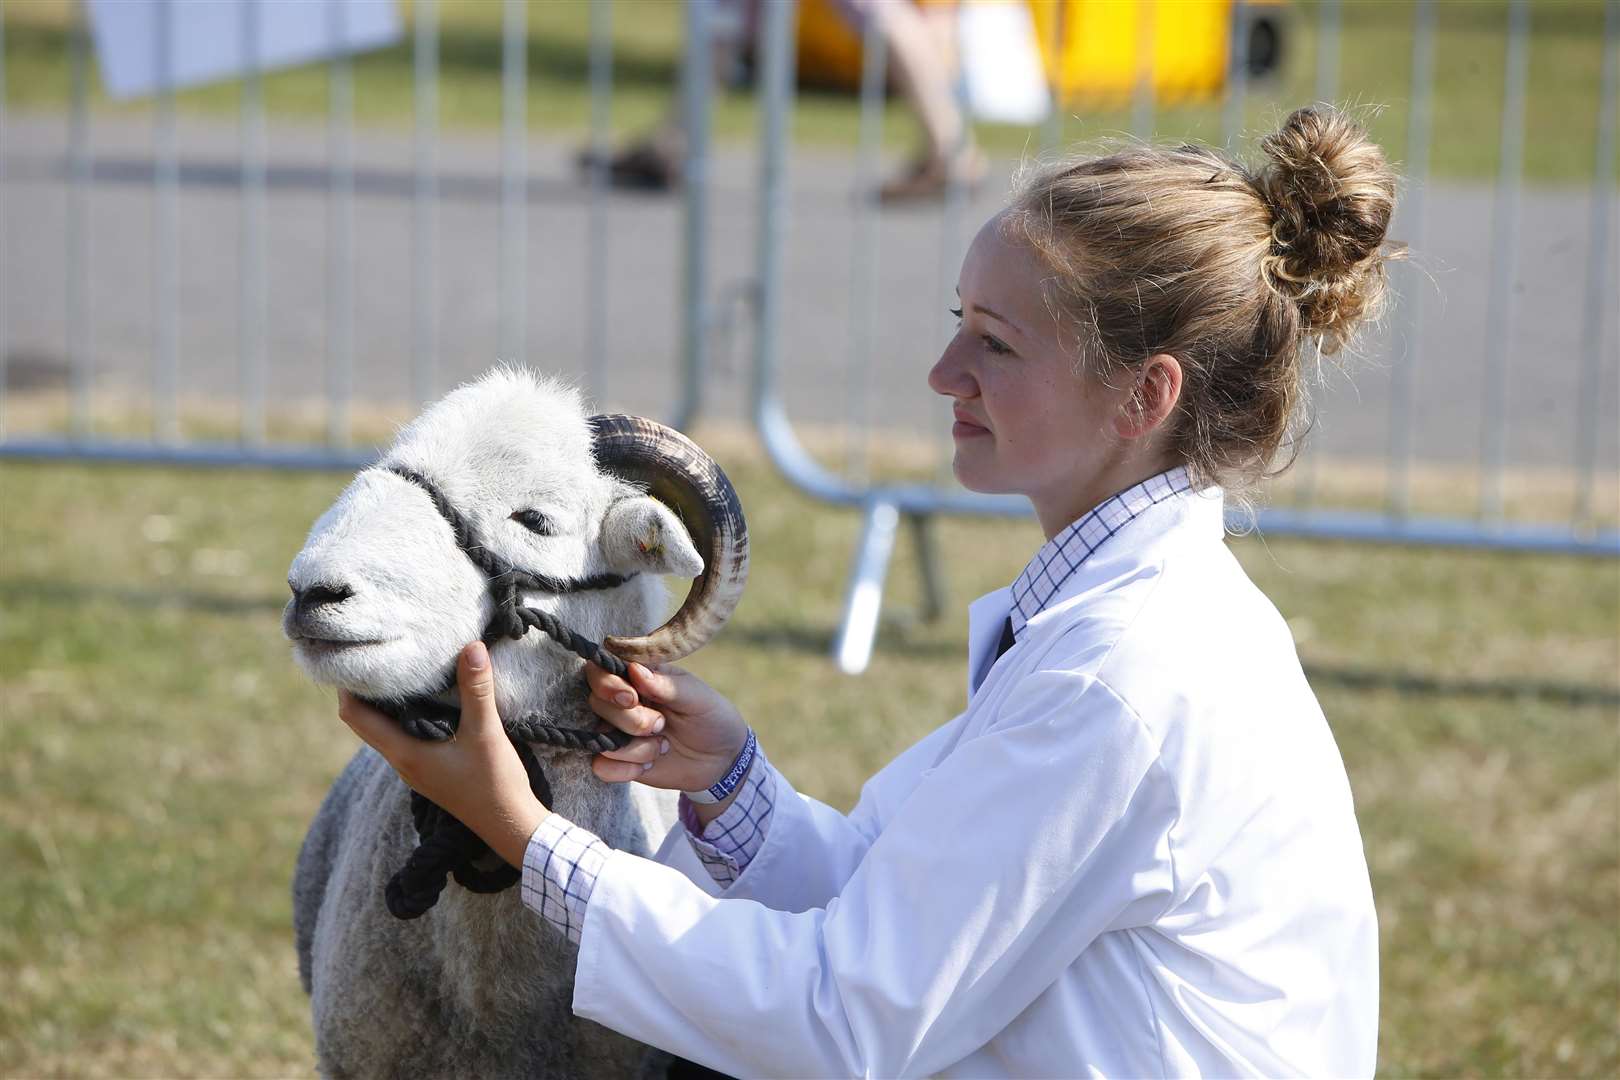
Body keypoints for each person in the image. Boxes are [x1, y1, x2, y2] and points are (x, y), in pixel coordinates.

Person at [341, 104, 1396, 1076]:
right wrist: (731, 780)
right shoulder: (1139, 620)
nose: (944, 371)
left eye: (996, 342)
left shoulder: (1126, 677)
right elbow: (898, 914)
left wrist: (522, 832)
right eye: (959, 319)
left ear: (1143, 394)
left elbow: (844, 1019)